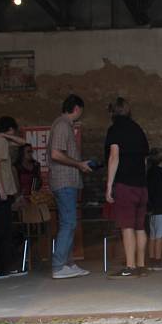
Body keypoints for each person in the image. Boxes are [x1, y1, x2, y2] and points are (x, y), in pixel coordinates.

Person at [105, 97, 150, 279]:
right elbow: (144, 159)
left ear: (112, 112)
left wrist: (109, 185)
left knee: (127, 226)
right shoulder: (138, 130)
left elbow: (114, 156)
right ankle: (141, 265)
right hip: (141, 185)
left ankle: (130, 267)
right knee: (140, 227)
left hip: (125, 184)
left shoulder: (115, 130)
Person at [48, 94, 92, 280]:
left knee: (69, 223)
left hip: (68, 182)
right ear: (76, 109)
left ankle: (68, 263)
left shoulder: (64, 126)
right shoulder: (62, 125)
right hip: (64, 182)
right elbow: (56, 154)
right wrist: (78, 164)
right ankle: (59, 265)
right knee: (68, 223)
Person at [0, 116, 26, 279]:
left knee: (4, 230)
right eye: (12, 131)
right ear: (10, 129)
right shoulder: (0, 143)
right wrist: (1, 188)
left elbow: (22, 142)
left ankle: (4, 266)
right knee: (0, 231)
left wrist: (3, 135)